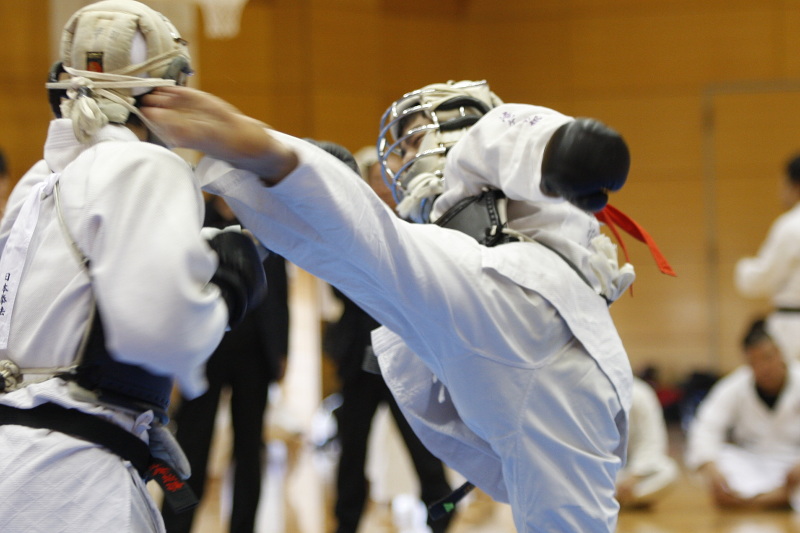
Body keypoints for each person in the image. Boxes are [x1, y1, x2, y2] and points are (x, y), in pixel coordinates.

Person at [141, 80, 637, 532]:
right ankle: (274, 163)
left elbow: (519, 135)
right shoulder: (538, 226)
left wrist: (571, 152)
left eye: (415, 140)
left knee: (366, 242)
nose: (402, 162)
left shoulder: (487, 138)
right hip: (557, 349)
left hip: (508, 294)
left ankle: (271, 158)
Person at [0, 2, 265, 532]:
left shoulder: (38, 182)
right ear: (165, 89)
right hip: (73, 484)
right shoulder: (145, 164)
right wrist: (227, 292)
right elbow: (159, 333)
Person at [324, 147, 454, 533]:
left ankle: (442, 511)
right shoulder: (350, 228)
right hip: (359, 359)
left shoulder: (415, 224)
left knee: (423, 444)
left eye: (386, 178)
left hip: (408, 355)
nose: (381, 186)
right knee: (352, 450)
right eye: (374, 178)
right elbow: (339, 289)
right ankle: (346, 522)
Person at [161, 195, 289, 533]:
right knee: (191, 443)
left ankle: (244, 526)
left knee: (250, 447)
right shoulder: (194, 217)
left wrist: (282, 350)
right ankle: (177, 523)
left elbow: (279, 291)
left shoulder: (262, 219)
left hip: (257, 354)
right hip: (206, 350)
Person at [685, 318, 800, 510]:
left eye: (767, 357)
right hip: (753, 462)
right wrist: (713, 471)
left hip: (794, 463)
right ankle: (773, 499)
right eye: (754, 362)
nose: (763, 367)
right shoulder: (735, 386)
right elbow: (706, 428)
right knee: (718, 459)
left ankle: (753, 502)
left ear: (780, 354)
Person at [735, 153, 800, 361]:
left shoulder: (791, 226)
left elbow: (760, 280)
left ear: (794, 185)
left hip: (792, 330)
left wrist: (743, 268)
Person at [616, 376, 679, 509]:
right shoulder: (582, 389)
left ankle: (614, 499)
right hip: (593, 474)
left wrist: (635, 475)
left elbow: (652, 441)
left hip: (625, 475)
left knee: (667, 471)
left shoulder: (639, 393)